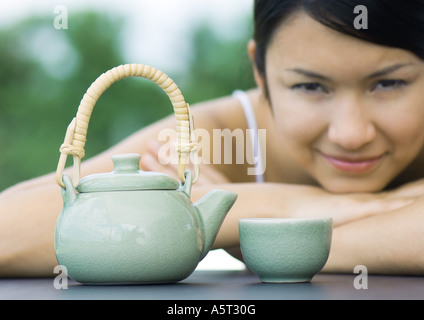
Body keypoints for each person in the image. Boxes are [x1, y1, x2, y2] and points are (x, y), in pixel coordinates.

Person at [1, 0, 424, 277]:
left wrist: (263, 241)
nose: (351, 134)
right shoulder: (217, 138)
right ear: (260, 71)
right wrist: (266, 205)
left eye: (388, 84)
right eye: (310, 87)